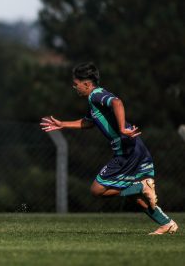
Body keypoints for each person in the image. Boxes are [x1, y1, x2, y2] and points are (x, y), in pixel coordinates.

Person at [40, 62, 178, 235]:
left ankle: (141, 187)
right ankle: (166, 223)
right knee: (129, 191)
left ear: (87, 84)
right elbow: (88, 122)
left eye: (76, 84)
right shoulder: (94, 101)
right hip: (133, 147)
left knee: (97, 189)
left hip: (126, 150)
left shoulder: (96, 95)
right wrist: (63, 124)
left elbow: (117, 103)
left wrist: (121, 128)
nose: (74, 87)